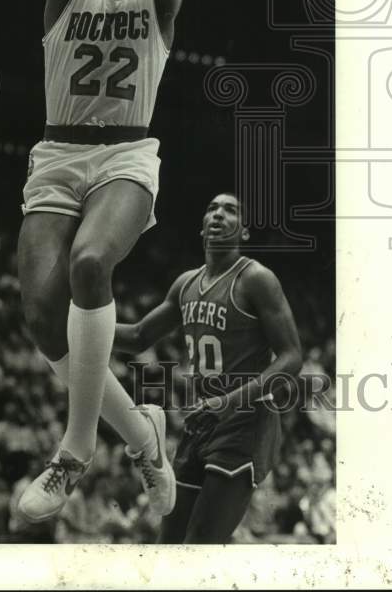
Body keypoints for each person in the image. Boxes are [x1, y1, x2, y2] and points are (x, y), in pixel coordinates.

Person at [10, 0, 189, 522]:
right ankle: (144, 436)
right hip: (57, 156)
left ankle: (76, 449)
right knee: (43, 319)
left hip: (125, 159)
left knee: (90, 268)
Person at [114, 192, 303, 543]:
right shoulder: (185, 284)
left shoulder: (256, 279)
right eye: (212, 208)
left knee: (200, 545)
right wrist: (78, 327)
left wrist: (228, 402)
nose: (218, 214)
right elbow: (140, 335)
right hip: (201, 422)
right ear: (202, 229)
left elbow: (292, 357)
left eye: (230, 211)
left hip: (245, 420)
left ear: (244, 232)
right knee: (168, 544)